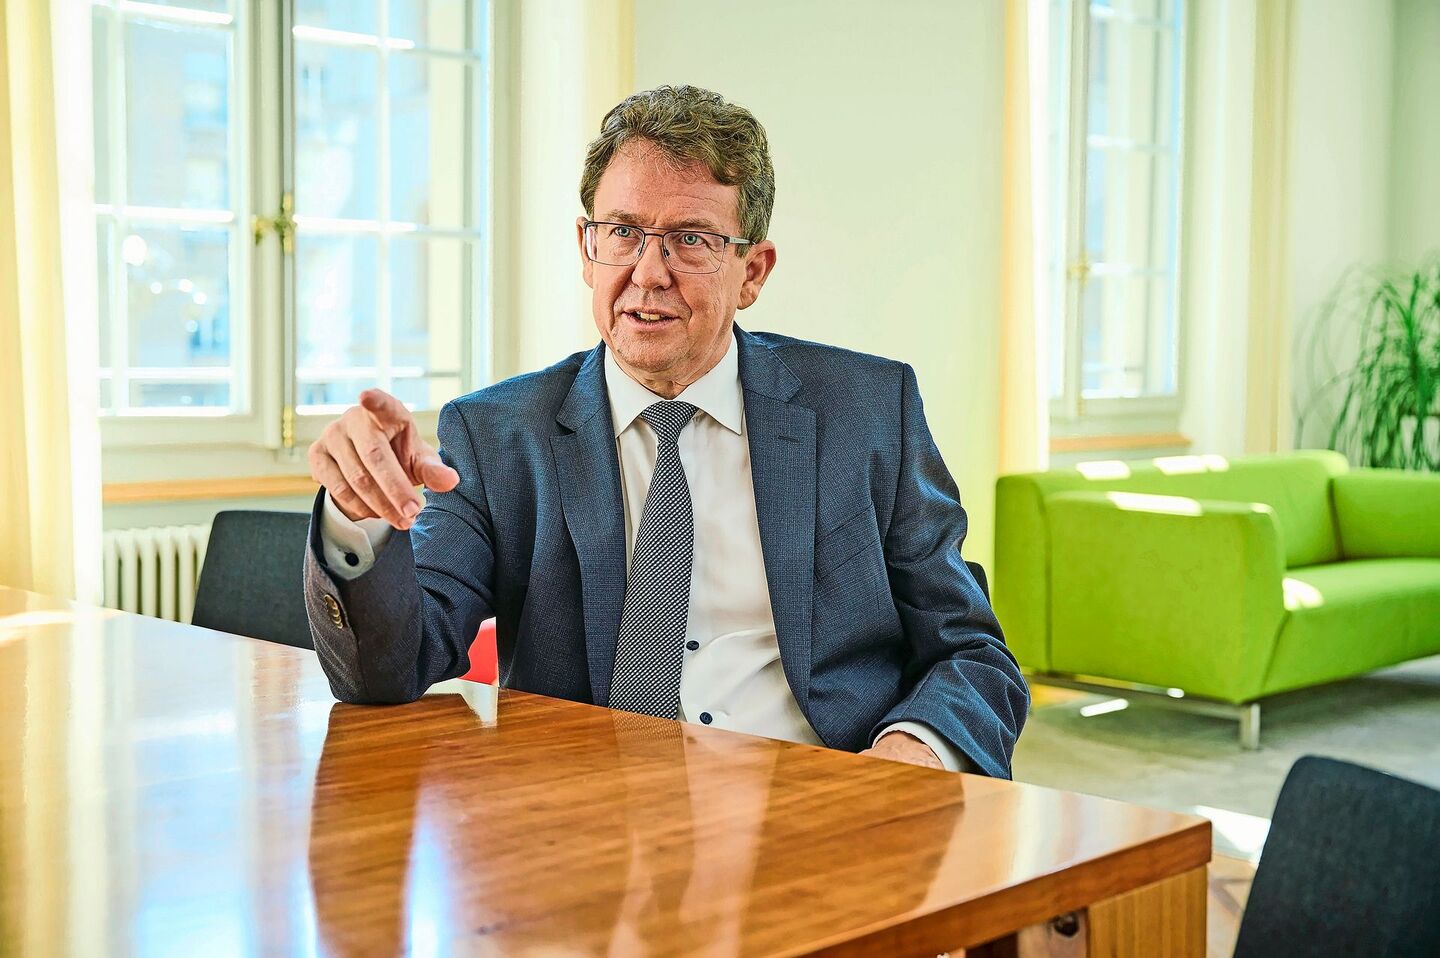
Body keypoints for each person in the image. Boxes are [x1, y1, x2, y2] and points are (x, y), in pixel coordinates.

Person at [303, 85, 1028, 777]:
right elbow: (387, 670)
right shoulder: (498, 435)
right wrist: (357, 520)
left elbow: (970, 653)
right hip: (587, 820)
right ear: (586, 248)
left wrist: (905, 760)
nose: (649, 273)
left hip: (818, 803)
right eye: (622, 233)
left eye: (690, 239)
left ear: (752, 272)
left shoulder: (865, 411)